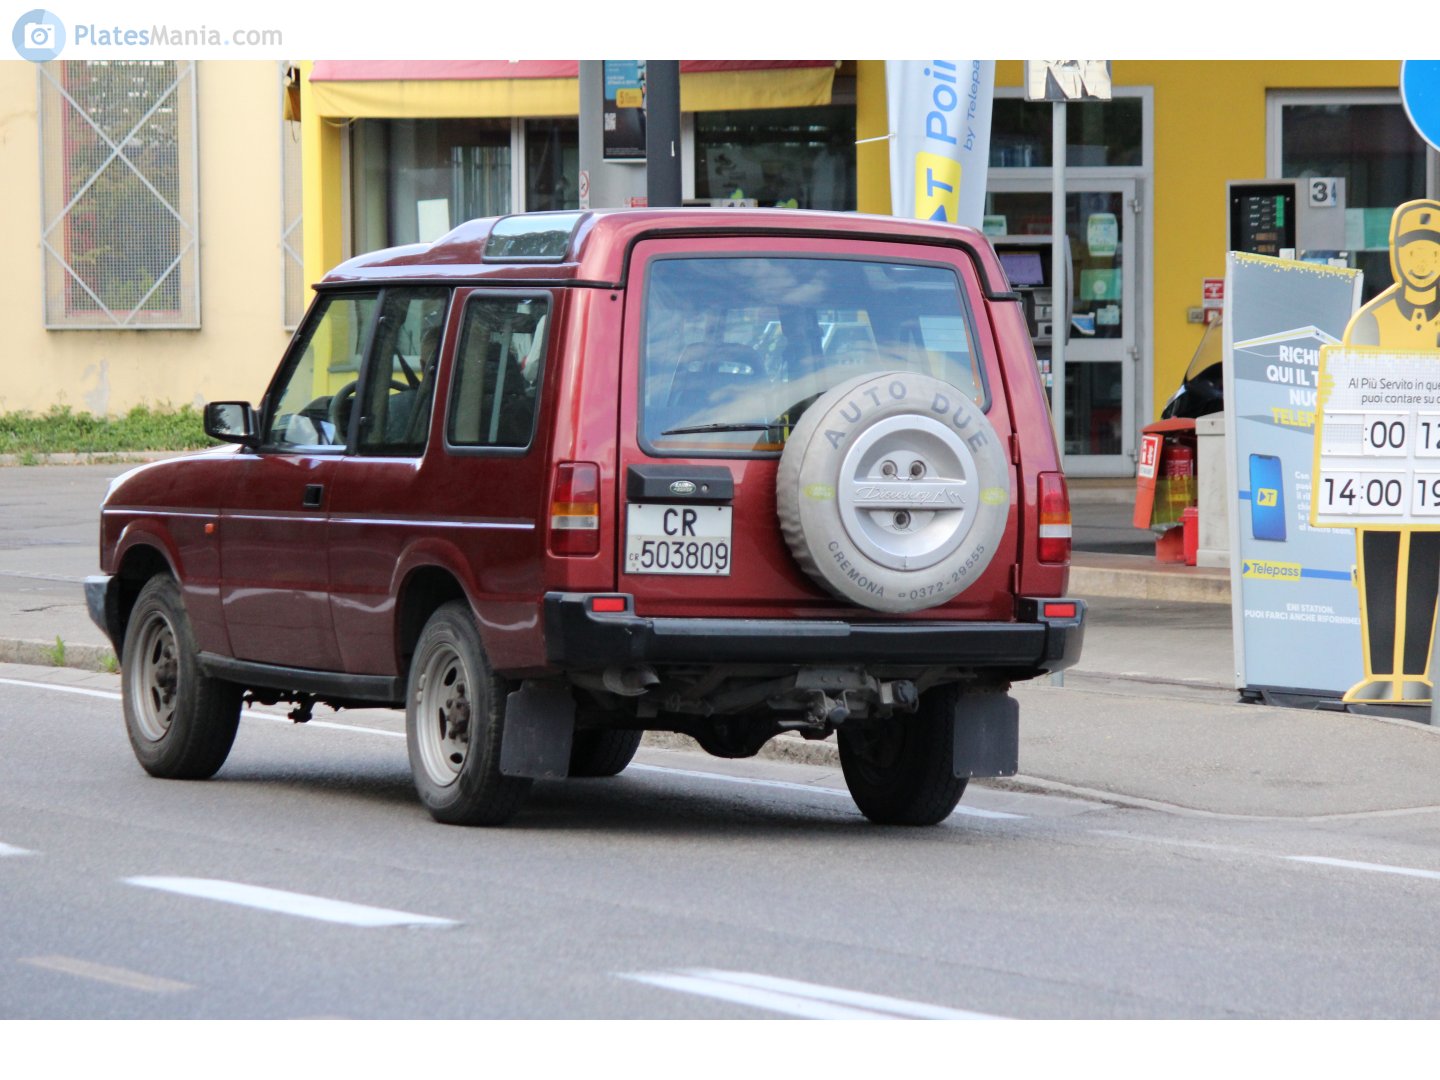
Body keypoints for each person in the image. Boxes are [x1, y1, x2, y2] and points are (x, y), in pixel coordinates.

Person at [1343, 199, 1440, 702]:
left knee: (1424, 566)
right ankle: (1383, 672)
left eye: (1431, 251)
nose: (1421, 261)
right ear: (1396, 255)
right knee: (1380, 564)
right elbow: (1350, 395)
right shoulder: (1372, 320)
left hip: (1432, 472)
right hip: (1380, 468)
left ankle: (1417, 673)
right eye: (1412, 251)